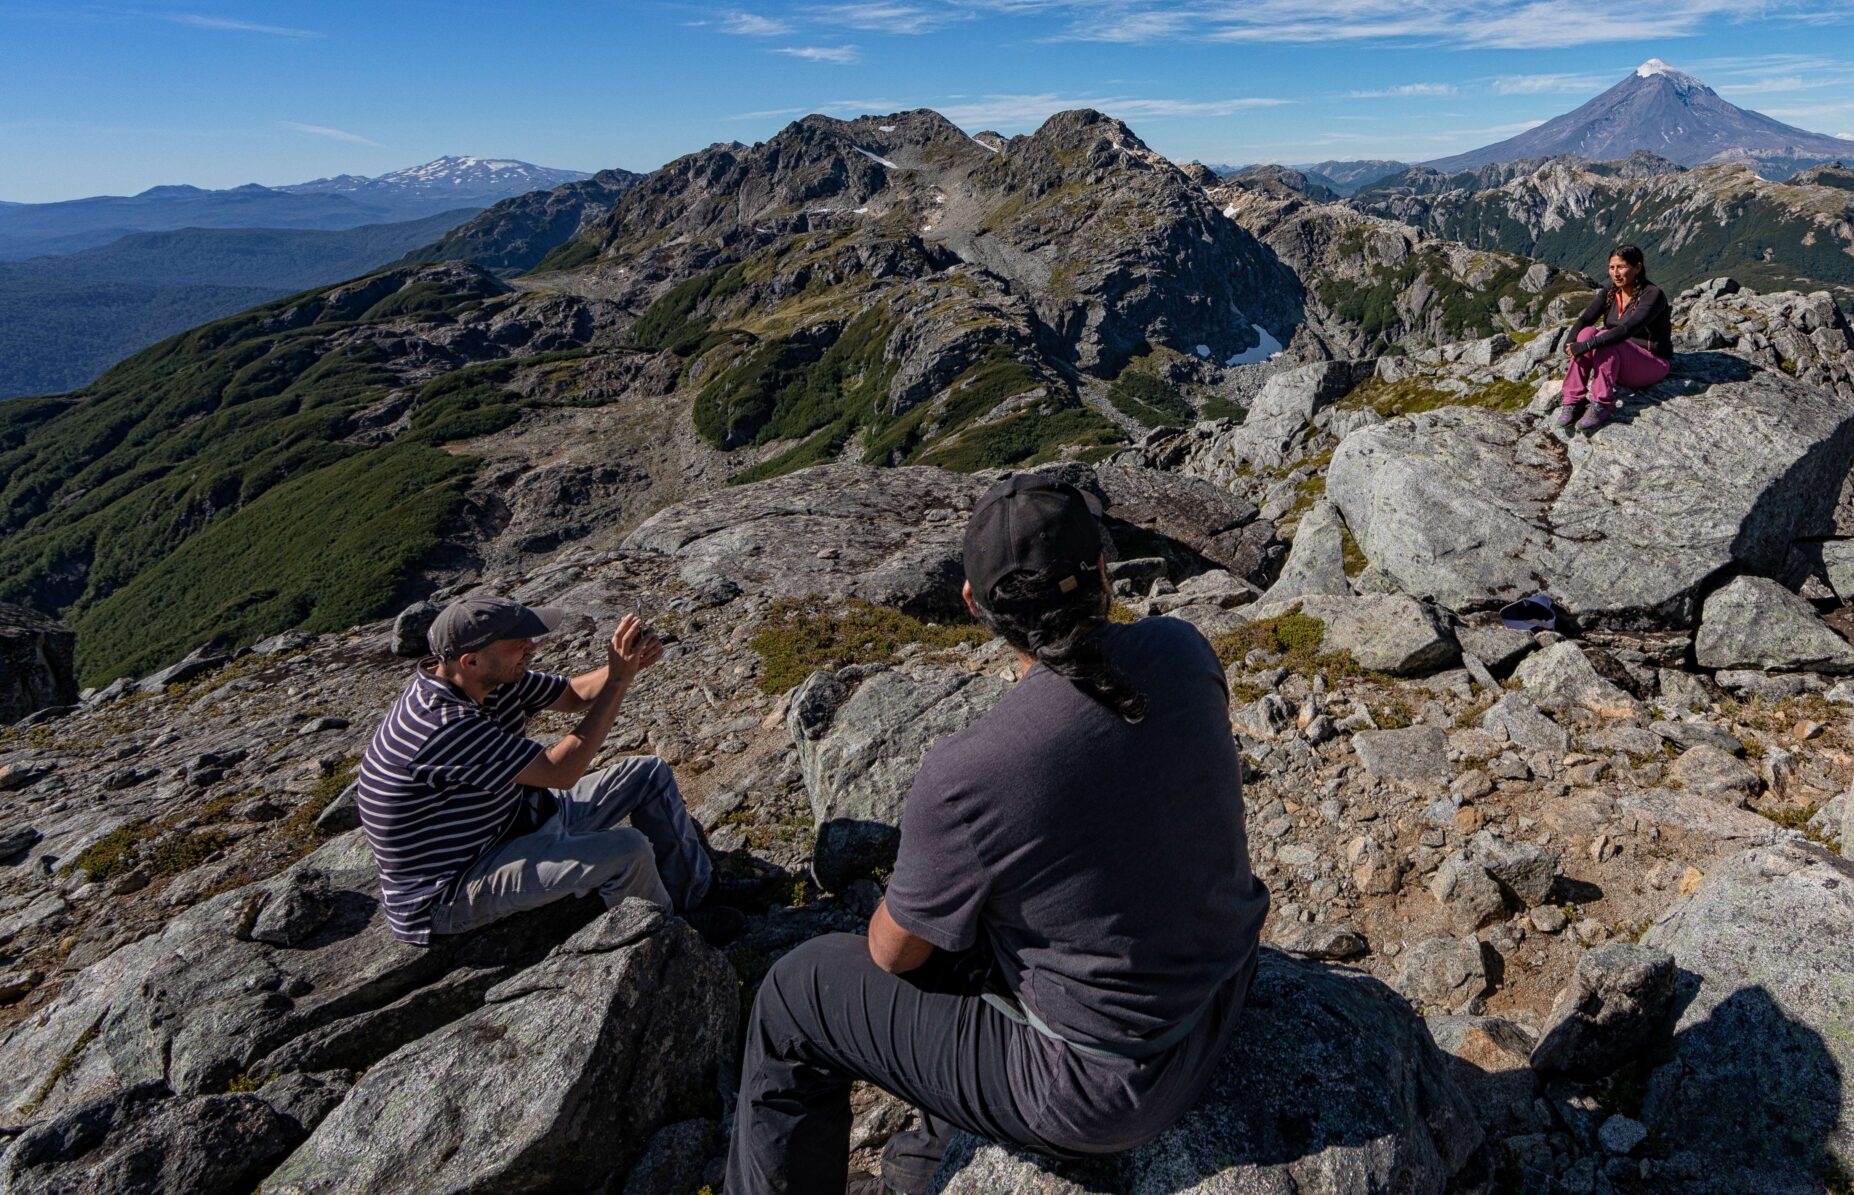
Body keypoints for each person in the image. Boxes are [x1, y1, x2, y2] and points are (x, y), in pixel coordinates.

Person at [727, 476, 1269, 1195]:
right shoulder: (1184, 647)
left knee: (797, 991)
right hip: (1225, 992)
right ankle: (924, 1165)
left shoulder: (970, 771)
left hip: (1104, 1089)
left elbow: (892, 953)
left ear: (974, 605)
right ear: (1104, 574)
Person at [356, 593, 733, 945]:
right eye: (519, 643)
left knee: (646, 773)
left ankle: (693, 897)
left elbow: (573, 695)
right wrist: (618, 680)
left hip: (510, 823)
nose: (531, 647)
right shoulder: (442, 725)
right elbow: (559, 772)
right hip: (454, 884)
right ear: (471, 660)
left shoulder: (487, 678)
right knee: (628, 850)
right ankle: (674, 941)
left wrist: (624, 662)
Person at [1554, 243, 1674, 433]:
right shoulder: (1610, 293)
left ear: (1637, 267)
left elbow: (1627, 329)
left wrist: (1588, 345)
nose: (1616, 273)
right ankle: (1573, 401)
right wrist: (1571, 342)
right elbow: (1586, 319)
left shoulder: (1652, 295)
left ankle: (1601, 405)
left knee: (1605, 339)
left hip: (1652, 363)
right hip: (1620, 362)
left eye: (1622, 267)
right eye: (1612, 267)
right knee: (1586, 333)